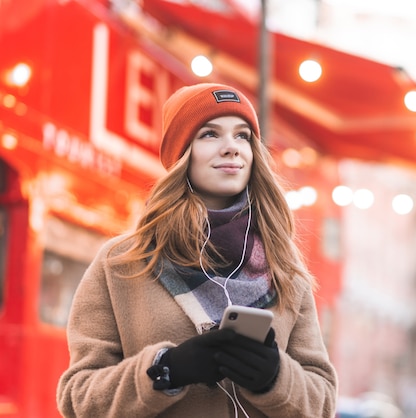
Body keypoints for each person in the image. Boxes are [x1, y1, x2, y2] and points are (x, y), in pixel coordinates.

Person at [56, 83, 338, 417]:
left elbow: (323, 403)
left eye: (243, 136)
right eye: (210, 134)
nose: (231, 148)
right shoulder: (121, 263)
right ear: (181, 153)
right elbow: (77, 399)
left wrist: (276, 379)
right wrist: (166, 370)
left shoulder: (284, 270)